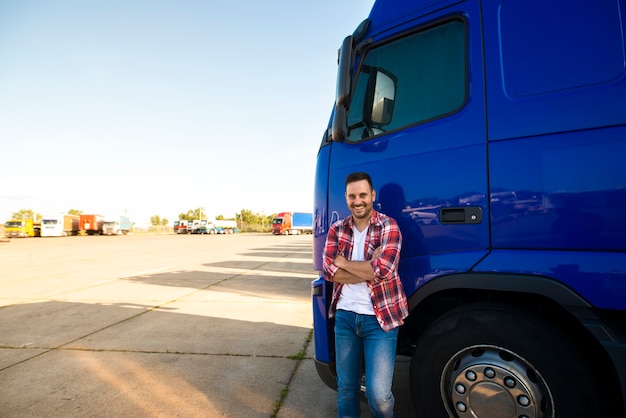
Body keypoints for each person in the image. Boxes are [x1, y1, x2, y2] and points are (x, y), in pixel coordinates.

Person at [322, 172, 409, 418]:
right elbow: (330, 272)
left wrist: (345, 263)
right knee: (346, 389)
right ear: (346, 198)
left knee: (378, 396)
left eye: (362, 195)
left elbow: (384, 269)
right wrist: (367, 265)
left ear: (372, 195)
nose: (357, 201)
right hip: (346, 317)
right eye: (352, 196)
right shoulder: (336, 229)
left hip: (380, 319)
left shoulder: (388, 226)